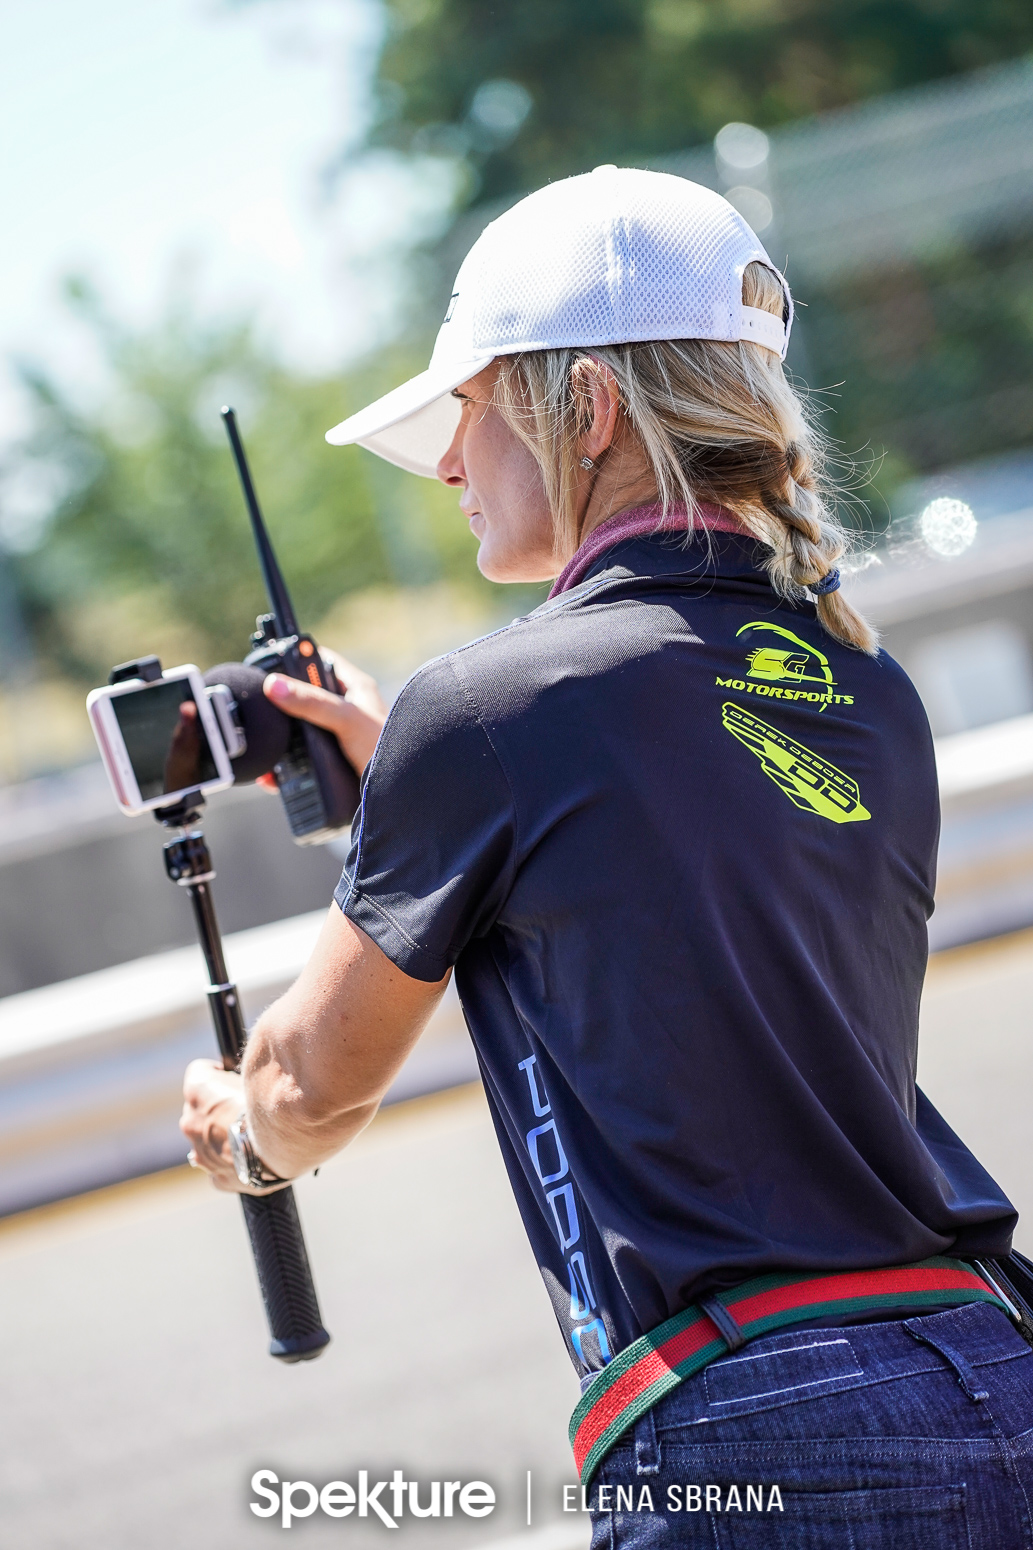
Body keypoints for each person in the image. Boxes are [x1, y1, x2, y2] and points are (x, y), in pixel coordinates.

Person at [181, 168, 1033, 1546]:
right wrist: (421, 794)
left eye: (463, 413)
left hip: (755, 1432)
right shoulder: (863, 689)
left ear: (581, 407)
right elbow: (673, 873)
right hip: (994, 1360)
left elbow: (309, 1083)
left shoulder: (491, 718)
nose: (449, 465)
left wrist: (237, 1130)